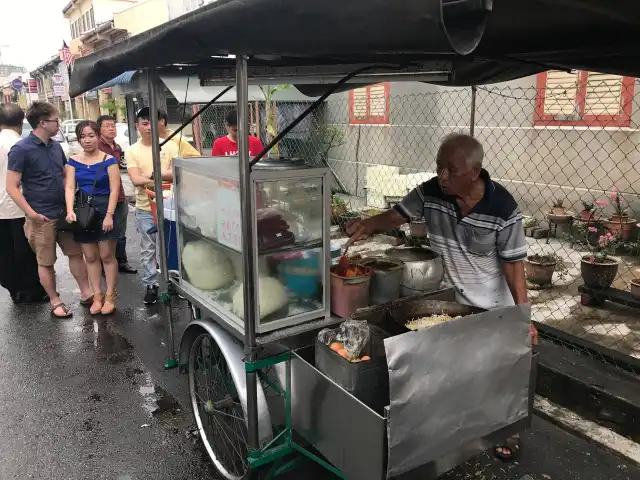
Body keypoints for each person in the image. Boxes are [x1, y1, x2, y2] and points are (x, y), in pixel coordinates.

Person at [345, 133, 537, 461]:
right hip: (449, 297)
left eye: (451, 170)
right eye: (438, 168)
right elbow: (396, 216)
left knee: (496, 369)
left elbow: (514, 269)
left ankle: (508, 428)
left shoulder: (504, 209)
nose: (442, 176)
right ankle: (449, 428)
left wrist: (524, 317)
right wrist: (367, 224)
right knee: (455, 367)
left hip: (492, 302)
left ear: (475, 172)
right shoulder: (430, 192)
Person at [6, 101, 92, 318]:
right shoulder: (21, 149)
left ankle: (86, 292)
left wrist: (72, 201)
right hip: (40, 216)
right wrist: (32, 213)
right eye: (56, 120)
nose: (58, 124)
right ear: (43, 123)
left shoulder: (55, 147)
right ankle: (55, 301)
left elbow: (65, 176)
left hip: (64, 212)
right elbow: (11, 186)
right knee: (46, 261)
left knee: (75, 253)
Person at [65, 120, 121, 315]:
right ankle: (97, 295)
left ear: (98, 136)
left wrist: (109, 215)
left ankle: (110, 295)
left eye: (91, 135)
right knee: (90, 256)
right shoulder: (73, 160)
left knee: (107, 255)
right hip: (83, 210)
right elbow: (70, 187)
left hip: (105, 208)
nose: (87, 140)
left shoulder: (109, 160)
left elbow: (115, 189)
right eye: (82, 136)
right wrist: (69, 210)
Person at [126, 108, 179, 305]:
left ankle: (173, 280)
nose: (149, 127)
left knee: (171, 245)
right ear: (137, 126)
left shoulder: (171, 146)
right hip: (145, 207)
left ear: (161, 123)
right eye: (145, 123)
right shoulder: (132, 150)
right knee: (148, 248)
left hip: (171, 205)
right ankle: (151, 284)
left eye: (153, 123)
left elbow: (177, 174)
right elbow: (135, 179)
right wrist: (160, 174)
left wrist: (149, 176)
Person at [0, 104, 48, 304]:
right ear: (21, 123)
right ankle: (30, 290)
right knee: (26, 250)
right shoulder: (22, 145)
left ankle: (13, 288)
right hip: (21, 206)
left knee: (4, 250)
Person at [97, 114, 137, 274]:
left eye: (113, 125)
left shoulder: (116, 147)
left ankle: (121, 261)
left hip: (119, 195)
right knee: (103, 230)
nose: (111, 128)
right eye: (107, 126)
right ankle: (102, 262)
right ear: (99, 129)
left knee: (120, 229)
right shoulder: (98, 147)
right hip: (103, 196)